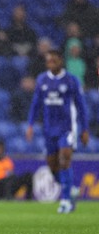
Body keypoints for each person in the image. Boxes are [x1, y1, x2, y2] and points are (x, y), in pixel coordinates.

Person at [26, 49, 89, 214]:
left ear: (60, 61)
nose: (50, 64)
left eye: (53, 61)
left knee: (65, 159)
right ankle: (71, 189)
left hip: (67, 128)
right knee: (53, 167)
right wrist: (30, 124)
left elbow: (81, 106)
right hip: (49, 130)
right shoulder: (42, 79)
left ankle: (66, 201)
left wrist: (85, 129)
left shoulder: (71, 80)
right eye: (48, 61)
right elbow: (35, 104)